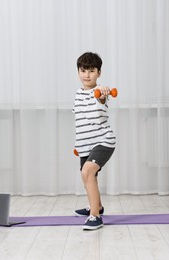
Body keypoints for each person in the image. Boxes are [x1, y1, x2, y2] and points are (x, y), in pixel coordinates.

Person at [72, 52, 116, 230]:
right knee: (89, 177)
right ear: (78, 72)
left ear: (99, 73)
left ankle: (95, 217)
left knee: (87, 172)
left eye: (91, 71)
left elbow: (101, 99)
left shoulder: (99, 93)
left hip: (104, 141)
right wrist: (78, 146)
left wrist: (103, 93)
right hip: (85, 144)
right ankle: (97, 205)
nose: (87, 75)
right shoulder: (77, 94)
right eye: (83, 70)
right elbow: (80, 121)